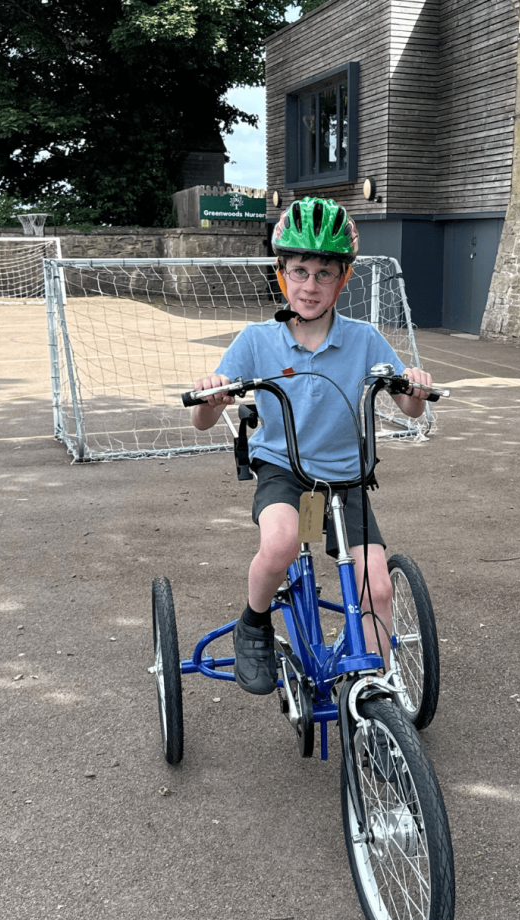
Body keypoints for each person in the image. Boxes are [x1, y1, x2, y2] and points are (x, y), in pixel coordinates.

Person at [191, 196, 433, 695]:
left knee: (378, 587)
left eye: (325, 273)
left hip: (346, 478)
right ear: (282, 274)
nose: (311, 285)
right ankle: (254, 622)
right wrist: (213, 396)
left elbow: (411, 409)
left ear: (343, 279)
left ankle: (373, 692)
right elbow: (201, 420)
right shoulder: (258, 340)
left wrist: (415, 388)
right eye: (300, 270)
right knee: (281, 544)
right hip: (285, 470)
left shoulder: (364, 339)